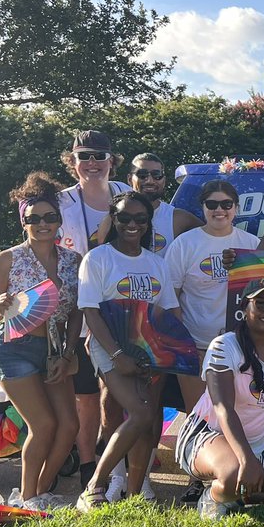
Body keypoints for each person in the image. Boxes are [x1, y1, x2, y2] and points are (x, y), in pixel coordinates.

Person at [97, 153, 204, 500]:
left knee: (151, 405)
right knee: (111, 404)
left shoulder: (182, 220)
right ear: (131, 178)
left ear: (165, 180)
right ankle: (114, 476)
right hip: (113, 330)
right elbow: (99, 265)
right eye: (142, 174)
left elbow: (212, 245)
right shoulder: (111, 219)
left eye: (157, 174)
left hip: (158, 328)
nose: (150, 179)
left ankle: (140, 477)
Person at [174, 279, 264, 519]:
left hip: (259, 445)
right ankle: (213, 496)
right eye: (260, 303)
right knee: (234, 472)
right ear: (245, 308)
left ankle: (239, 493)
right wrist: (246, 459)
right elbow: (223, 408)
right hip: (208, 435)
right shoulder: (224, 346)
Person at [75, 191, 181, 511]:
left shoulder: (156, 263)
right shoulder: (98, 259)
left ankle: (135, 493)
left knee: (148, 417)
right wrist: (118, 354)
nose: (132, 224)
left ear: (149, 223)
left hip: (149, 350)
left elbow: (168, 312)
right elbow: (90, 311)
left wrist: (174, 353)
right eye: (124, 218)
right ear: (114, 219)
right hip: (110, 348)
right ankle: (96, 485)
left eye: (140, 219)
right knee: (139, 412)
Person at [0, 172, 81, 510]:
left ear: (58, 220)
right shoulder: (7, 258)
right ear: (23, 221)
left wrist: (69, 352)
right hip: (15, 348)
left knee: (69, 426)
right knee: (43, 424)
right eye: (33, 218)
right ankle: (28, 497)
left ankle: (40, 492)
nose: (42, 224)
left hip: (54, 351)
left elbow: (76, 313)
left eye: (50, 217)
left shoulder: (72, 261)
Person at [57, 130, 132, 491]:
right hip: (77, 312)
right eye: (84, 155)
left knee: (120, 397)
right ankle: (90, 468)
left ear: (112, 161)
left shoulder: (126, 196)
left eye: (99, 156)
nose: (92, 163)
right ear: (72, 161)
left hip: (122, 312)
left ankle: (119, 464)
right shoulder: (58, 203)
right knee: (87, 400)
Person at [165, 180, 261, 411]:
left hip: (240, 347)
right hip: (195, 345)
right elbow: (169, 299)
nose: (219, 210)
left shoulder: (252, 244)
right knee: (197, 415)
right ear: (203, 207)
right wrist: (185, 345)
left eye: (226, 204)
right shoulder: (184, 245)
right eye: (212, 204)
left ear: (236, 208)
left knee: (237, 413)